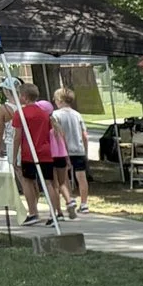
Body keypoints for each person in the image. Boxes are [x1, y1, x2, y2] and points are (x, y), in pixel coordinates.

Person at [0, 81, 66, 224]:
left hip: (29, 153)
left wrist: (16, 154)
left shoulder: (20, 113)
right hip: (45, 152)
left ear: (24, 97)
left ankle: (33, 212)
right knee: (48, 183)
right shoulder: (44, 113)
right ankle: (54, 214)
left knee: (28, 181)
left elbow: (17, 136)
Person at [50, 88, 91, 217]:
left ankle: (70, 199)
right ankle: (84, 204)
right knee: (81, 177)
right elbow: (84, 134)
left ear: (60, 101)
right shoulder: (77, 114)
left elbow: (56, 133)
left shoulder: (55, 115)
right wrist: (85, 150)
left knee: (63, 177)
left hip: (63, 150)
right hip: (78, 149)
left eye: (55, 100)